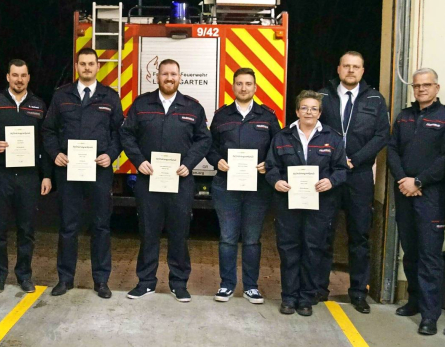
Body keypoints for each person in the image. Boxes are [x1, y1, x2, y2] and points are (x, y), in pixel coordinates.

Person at [120, 59, 211, 303]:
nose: (169, 78)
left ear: (180, 77)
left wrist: (189, 163)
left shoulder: (192, 107)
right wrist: (138, 161)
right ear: (156, 77)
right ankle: (146, 282)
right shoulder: (141, 104)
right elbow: (126, 134)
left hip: (180, 182)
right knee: (148, 231)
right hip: (147, 181)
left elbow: (204, 139)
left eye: (173, 74)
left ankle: (179, 283)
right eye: (165, 74)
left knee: (179, 232)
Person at [41, 48, 123, 298]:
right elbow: (48, 130)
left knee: (101, 226)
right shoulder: (61, 96)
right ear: (76, 66)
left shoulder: (109, 97)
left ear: (98, 67)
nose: (87, 68)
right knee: (68, 226)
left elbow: (121, 132)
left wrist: (111, 154)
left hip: (99, 172)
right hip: (68, 172)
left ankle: (101, 280)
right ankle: (65, 279)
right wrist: (56, 154)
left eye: (91, 64)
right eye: (83, 64)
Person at [317, 51, 390, 313]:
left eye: (355, 67)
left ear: (362, 71)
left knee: (359, 236)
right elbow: (313, 129)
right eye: (346, 66)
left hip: (358, 176)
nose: (350, 71)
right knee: (324, 233)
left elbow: (382, 135)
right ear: (338, 69)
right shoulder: (322, 96)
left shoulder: (374, 99)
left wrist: (355, 160)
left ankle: (358, 292)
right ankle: (319, 288)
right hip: (328, 175)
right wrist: (331, 161)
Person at [386, 68, 445, 336]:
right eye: (417, 86)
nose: (421, 90)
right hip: (404, 191)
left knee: (429, 255)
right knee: (411, 251)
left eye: (426, 85)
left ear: (436, 87)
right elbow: (392, 149)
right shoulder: (404, 117)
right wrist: (404, 179)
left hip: (431, 196)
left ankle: (430, 315)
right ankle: (414, 301)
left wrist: (419, 181)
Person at [266, 90, 348, 317]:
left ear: (320, 112)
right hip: (288, 204)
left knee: (313, 250)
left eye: (313, 108)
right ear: (297, 111)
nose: (309, 112)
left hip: (320, 205)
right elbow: (271, 167)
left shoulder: (332, 138)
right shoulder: (282, 137)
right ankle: (289, 297)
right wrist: (277, 182)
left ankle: (306, 298)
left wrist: (330, 181)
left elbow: (342, 170)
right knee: (289, 250)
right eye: (304, 108)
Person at [206, 67, 281, 304]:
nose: (244, 88)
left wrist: (267, 165)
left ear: (255, 87)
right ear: (233, 86)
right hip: (225, 186)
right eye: (239, 83)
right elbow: (209, 145)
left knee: (251, 239)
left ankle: (251, 287)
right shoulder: (222, 115)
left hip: (257, 188)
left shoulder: (267, 116)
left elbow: (278, 147)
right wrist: (216, 160)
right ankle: (227, 285)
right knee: (227, 237)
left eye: (248, 84)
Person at [0, 59, 53, 294]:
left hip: (29, 177)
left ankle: (24, 276)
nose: (19, 79)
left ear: (29, 77)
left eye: (23, 75)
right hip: (1, 174)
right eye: (14, 75)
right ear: (7, 77)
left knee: (27, 230)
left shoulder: (39, 106)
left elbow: (46, 143)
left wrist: (47, 176)